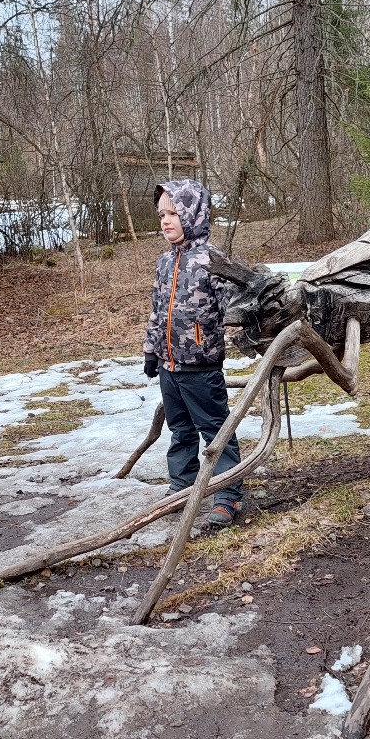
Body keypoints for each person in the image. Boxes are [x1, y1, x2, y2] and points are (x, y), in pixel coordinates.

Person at [143, 179, 243, 527]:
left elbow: (234, 307)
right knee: (180, 430)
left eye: (173, 213)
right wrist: (151, 351)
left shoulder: (211, 261)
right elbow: (158, 311)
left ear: (193, 213)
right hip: (169, 365)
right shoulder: (164, 263)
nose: (166, 221)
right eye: (161, 215)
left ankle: (227, 496)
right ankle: (181, 487)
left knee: (215, 431)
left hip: (201, 366)